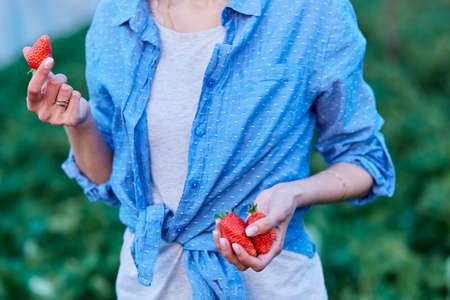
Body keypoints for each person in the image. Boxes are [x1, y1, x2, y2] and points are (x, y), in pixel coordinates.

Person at [23, 0, 395, 298]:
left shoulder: (308, 12)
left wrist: (294, 193)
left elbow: (363, 158)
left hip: (271, 284)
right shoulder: (117, 16)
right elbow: (110, 180)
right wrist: (80, 122)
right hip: (149, 283)